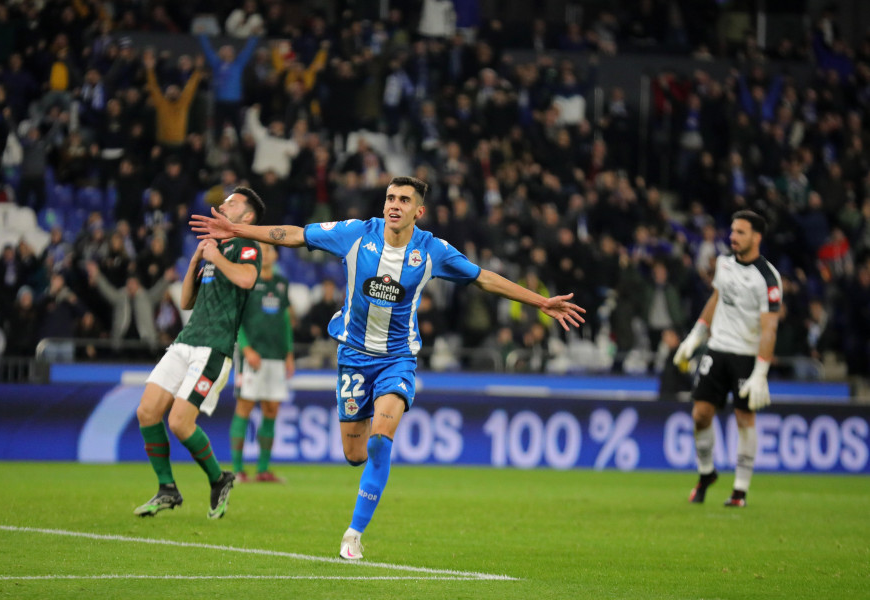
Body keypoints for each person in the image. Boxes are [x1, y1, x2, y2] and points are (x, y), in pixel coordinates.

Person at [191, 176, 586, 559]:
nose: (394, 205)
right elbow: (294, 234)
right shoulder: (356, 233)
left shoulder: (432, 251)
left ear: (419, 211)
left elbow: (483, 278)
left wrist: (541, 302)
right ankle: (364, 473)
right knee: (354, 452)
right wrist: (239, 230)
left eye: (403, 200)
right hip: (353, 357)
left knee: (381, 438)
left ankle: (353, 534)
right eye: (390, 198)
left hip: (397, 358)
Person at [133, 187, 264, 519]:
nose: (223, 204)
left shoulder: (247, 247)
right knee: (147, 411)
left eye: (232, 203)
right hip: (185, 341)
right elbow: (186, 302)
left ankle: (219, 478)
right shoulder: (213, 248)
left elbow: (247, 280)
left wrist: (215, 257)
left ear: (247, 216)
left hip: (213, 347)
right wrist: (196, 259)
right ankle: (167, 489)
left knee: (179, 421)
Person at [673, 210, 781, 508]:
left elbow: (770, 328)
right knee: (700, 415)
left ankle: (740, 491)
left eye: (740, 232)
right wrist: (695, 336)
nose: (733, 236)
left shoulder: (768, 279)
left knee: (744, 418)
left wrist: (761, 372)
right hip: (718, 349)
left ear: (756, 237)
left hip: (747, 355)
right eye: (732, 231)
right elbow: (716, 299)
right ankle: (707, 473)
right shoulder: (723, 263)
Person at [230, 242, 294, 483]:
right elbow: (236, 318)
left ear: (275, 255)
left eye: (270, 250)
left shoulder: (282, 283)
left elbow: (286, 320)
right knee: (244, 408)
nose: (267, 253)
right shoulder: (247, 281)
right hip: (252, 356)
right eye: (263, 250)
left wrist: (289, 353)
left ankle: (263, 470)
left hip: (276, 356)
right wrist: (246, 349)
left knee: (271, 410)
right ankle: (237, 469)